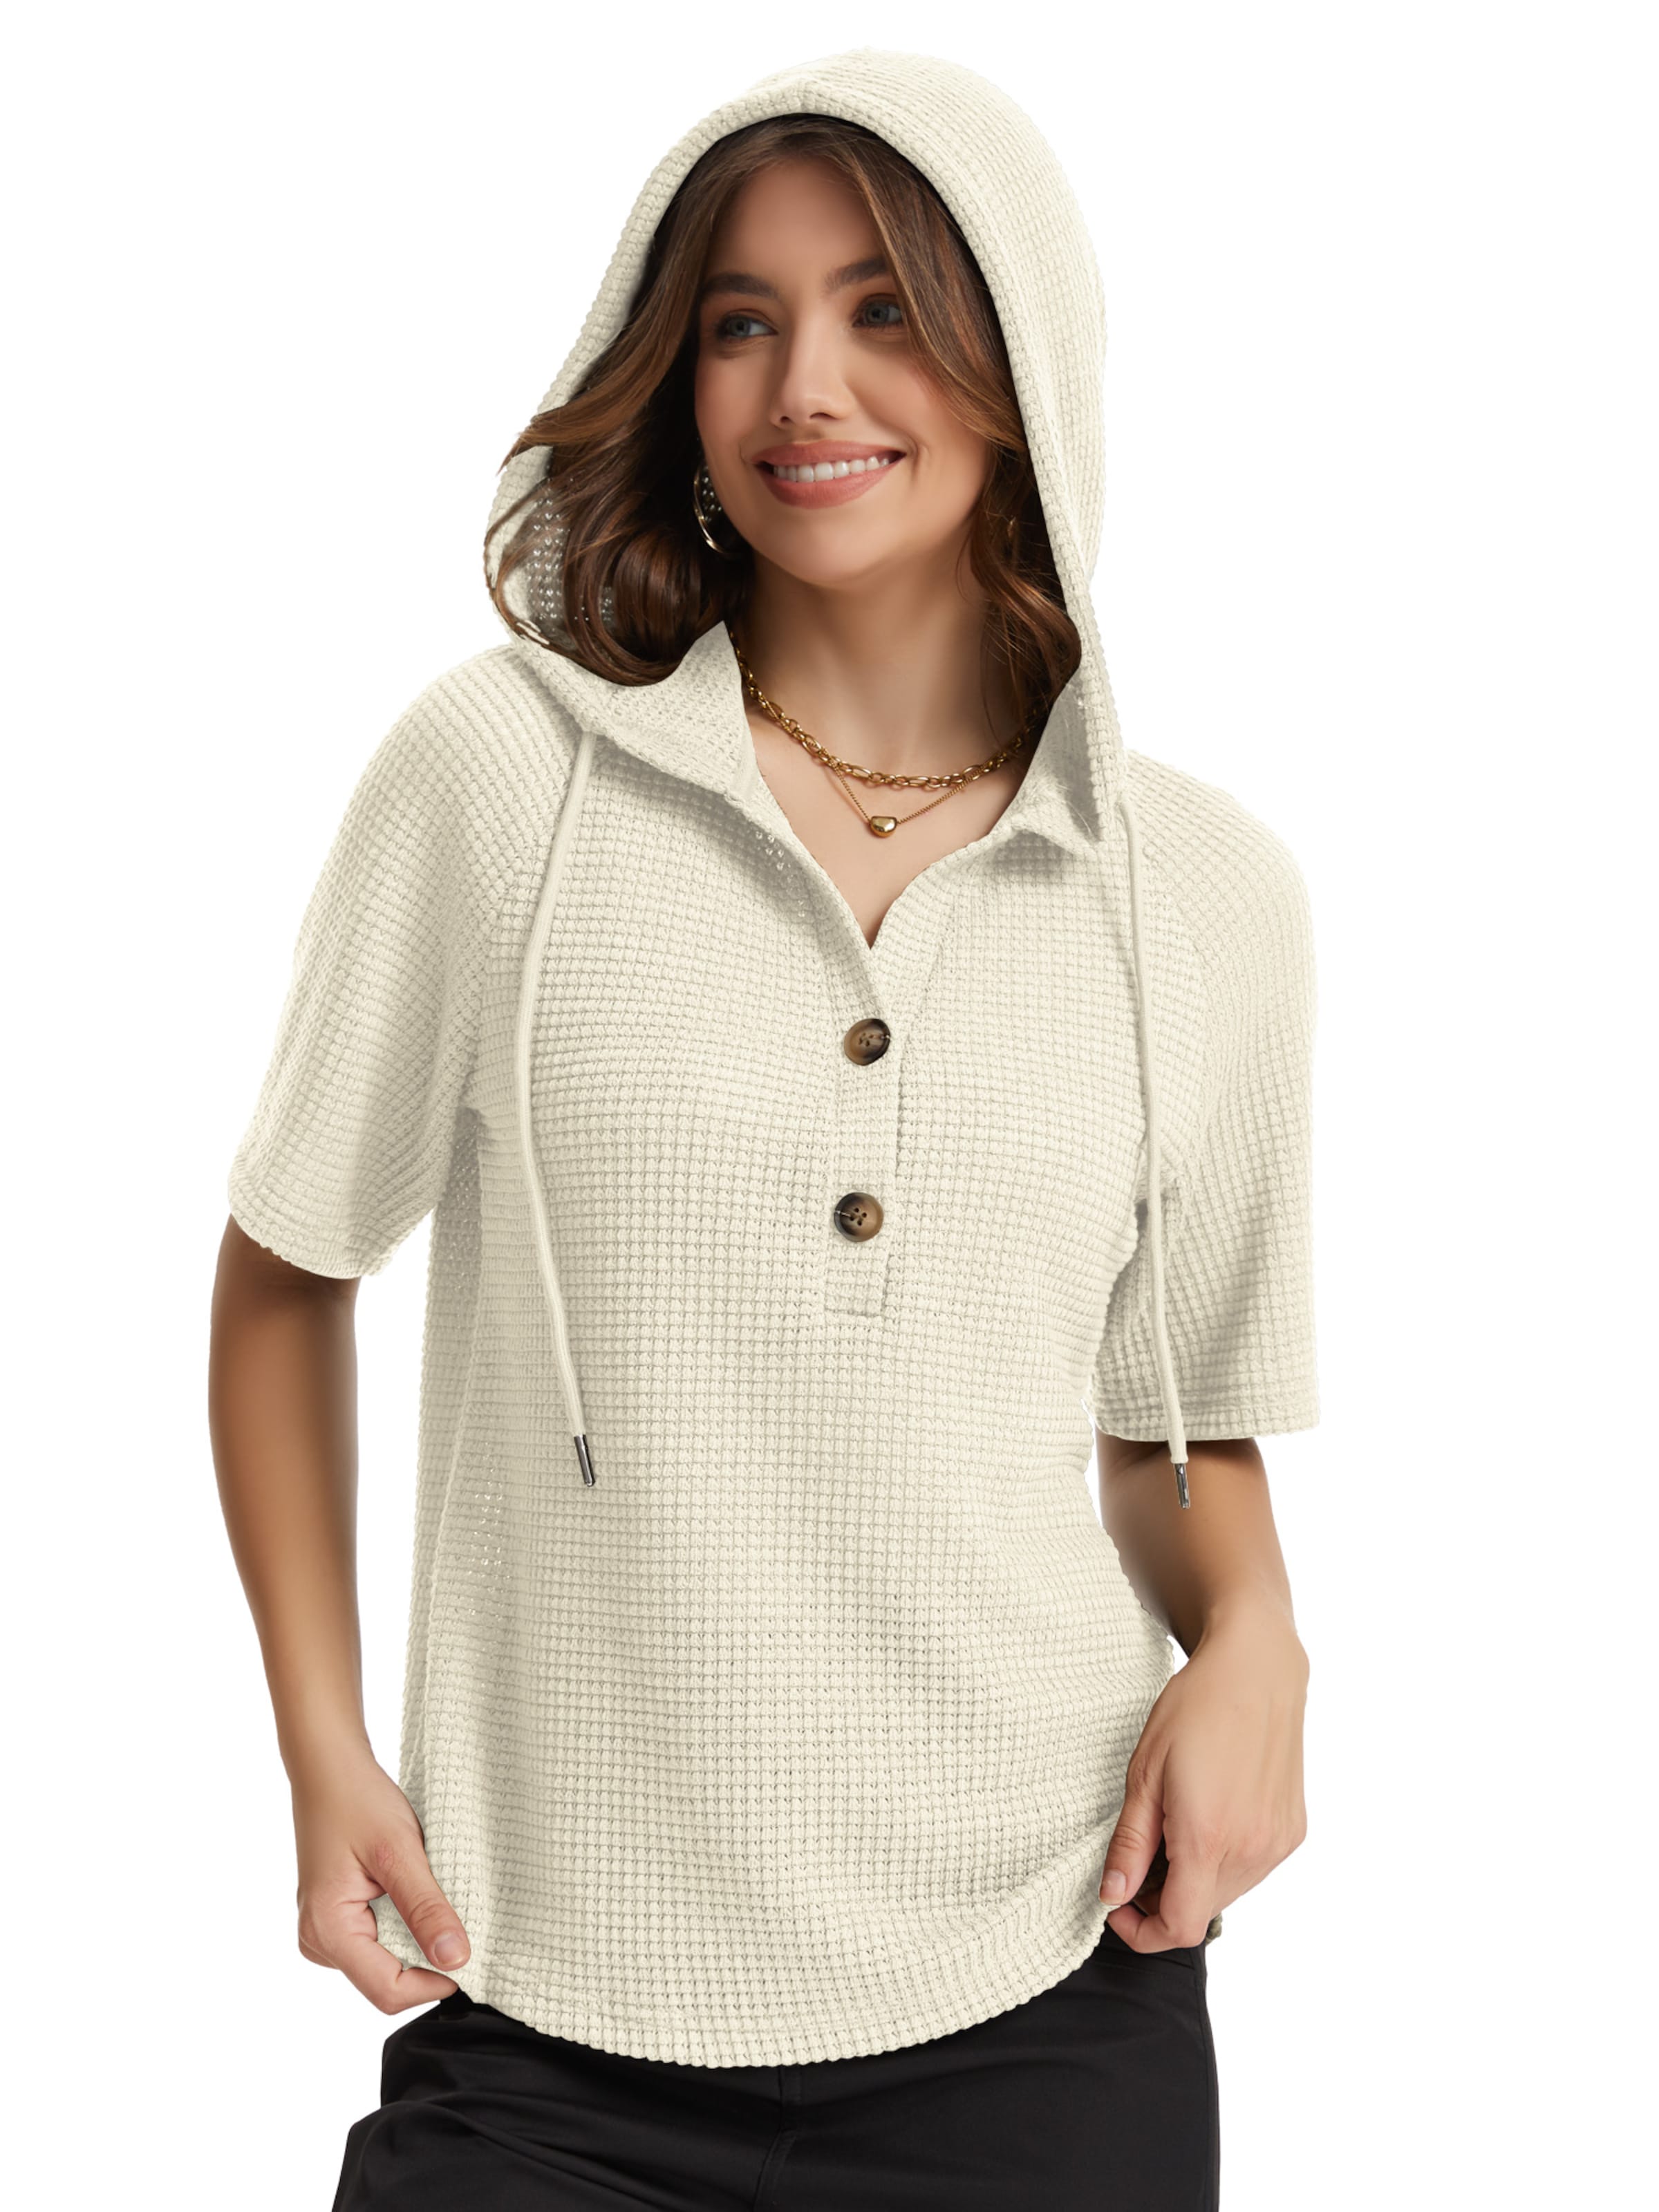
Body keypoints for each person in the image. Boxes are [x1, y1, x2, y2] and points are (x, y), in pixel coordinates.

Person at [208, 45, 1319, 2212]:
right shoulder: (500, 784)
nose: (807, 383)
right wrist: (322, 1749)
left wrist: (1259, 1636)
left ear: (1022, 351)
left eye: (885, 306)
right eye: (743, 317)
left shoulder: (1204, 901)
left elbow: (1166, 1432)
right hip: (540, 1999)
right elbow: (285, 1272)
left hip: (1048, 1980)